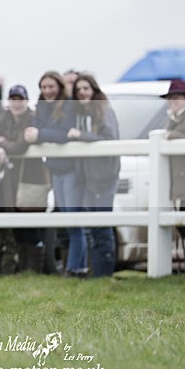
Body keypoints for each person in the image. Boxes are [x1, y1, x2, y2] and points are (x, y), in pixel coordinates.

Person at [24, 71, 87, 277]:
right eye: (43, 87)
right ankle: (75, 266)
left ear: (59, 86)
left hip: (71, 170)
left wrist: (40, 134)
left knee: (74, 221)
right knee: (68, 222)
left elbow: (64, 133)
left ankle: (76, 268)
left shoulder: (68, 105)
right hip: (55, 169)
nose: (47, 91)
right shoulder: (42, 107)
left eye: (51, 86)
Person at [0, 85, 48, 273]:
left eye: (20, 99)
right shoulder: (5, 118)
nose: (16, 103)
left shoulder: (33, 118)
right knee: (16, 225)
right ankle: (23, 267)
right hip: (11, 179)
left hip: (30, 177)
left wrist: (3, 144)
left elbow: (22, 146)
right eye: (13, 99)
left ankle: (35, 268)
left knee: (31, 224)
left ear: (26, 101)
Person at [66, 74, 120, 277]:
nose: (82, 92)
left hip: (104, 176)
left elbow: (108, 138)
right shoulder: (82, 113)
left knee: (102, 227)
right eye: (78, 89)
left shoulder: (103, 110)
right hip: (88, 177)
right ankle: (97, 274)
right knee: (92, 228)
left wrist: (81, 136)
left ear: (94, 90)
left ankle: (104, 274)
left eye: (86, 88)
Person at [160, 79, 185, 258]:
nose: (173, 100)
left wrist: (172, 135)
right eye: (170, 97)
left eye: (177, 96)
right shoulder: (174, 117)